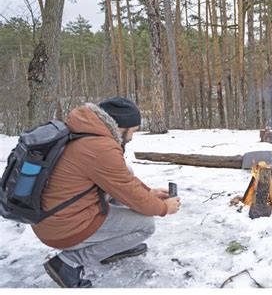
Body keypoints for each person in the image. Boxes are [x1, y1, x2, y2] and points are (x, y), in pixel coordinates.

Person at [33, 97, 181, 288]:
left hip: (51, 217)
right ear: (121, 126)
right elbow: (129, 192)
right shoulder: (100, 148)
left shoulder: (84, 133)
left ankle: (114, 247)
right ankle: (68, 263)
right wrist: (163, 208)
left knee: (127, 170)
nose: (132, 137)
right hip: (62, 228)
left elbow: (122, 182)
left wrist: (149, 192)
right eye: (133, 131)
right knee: (145, 225)